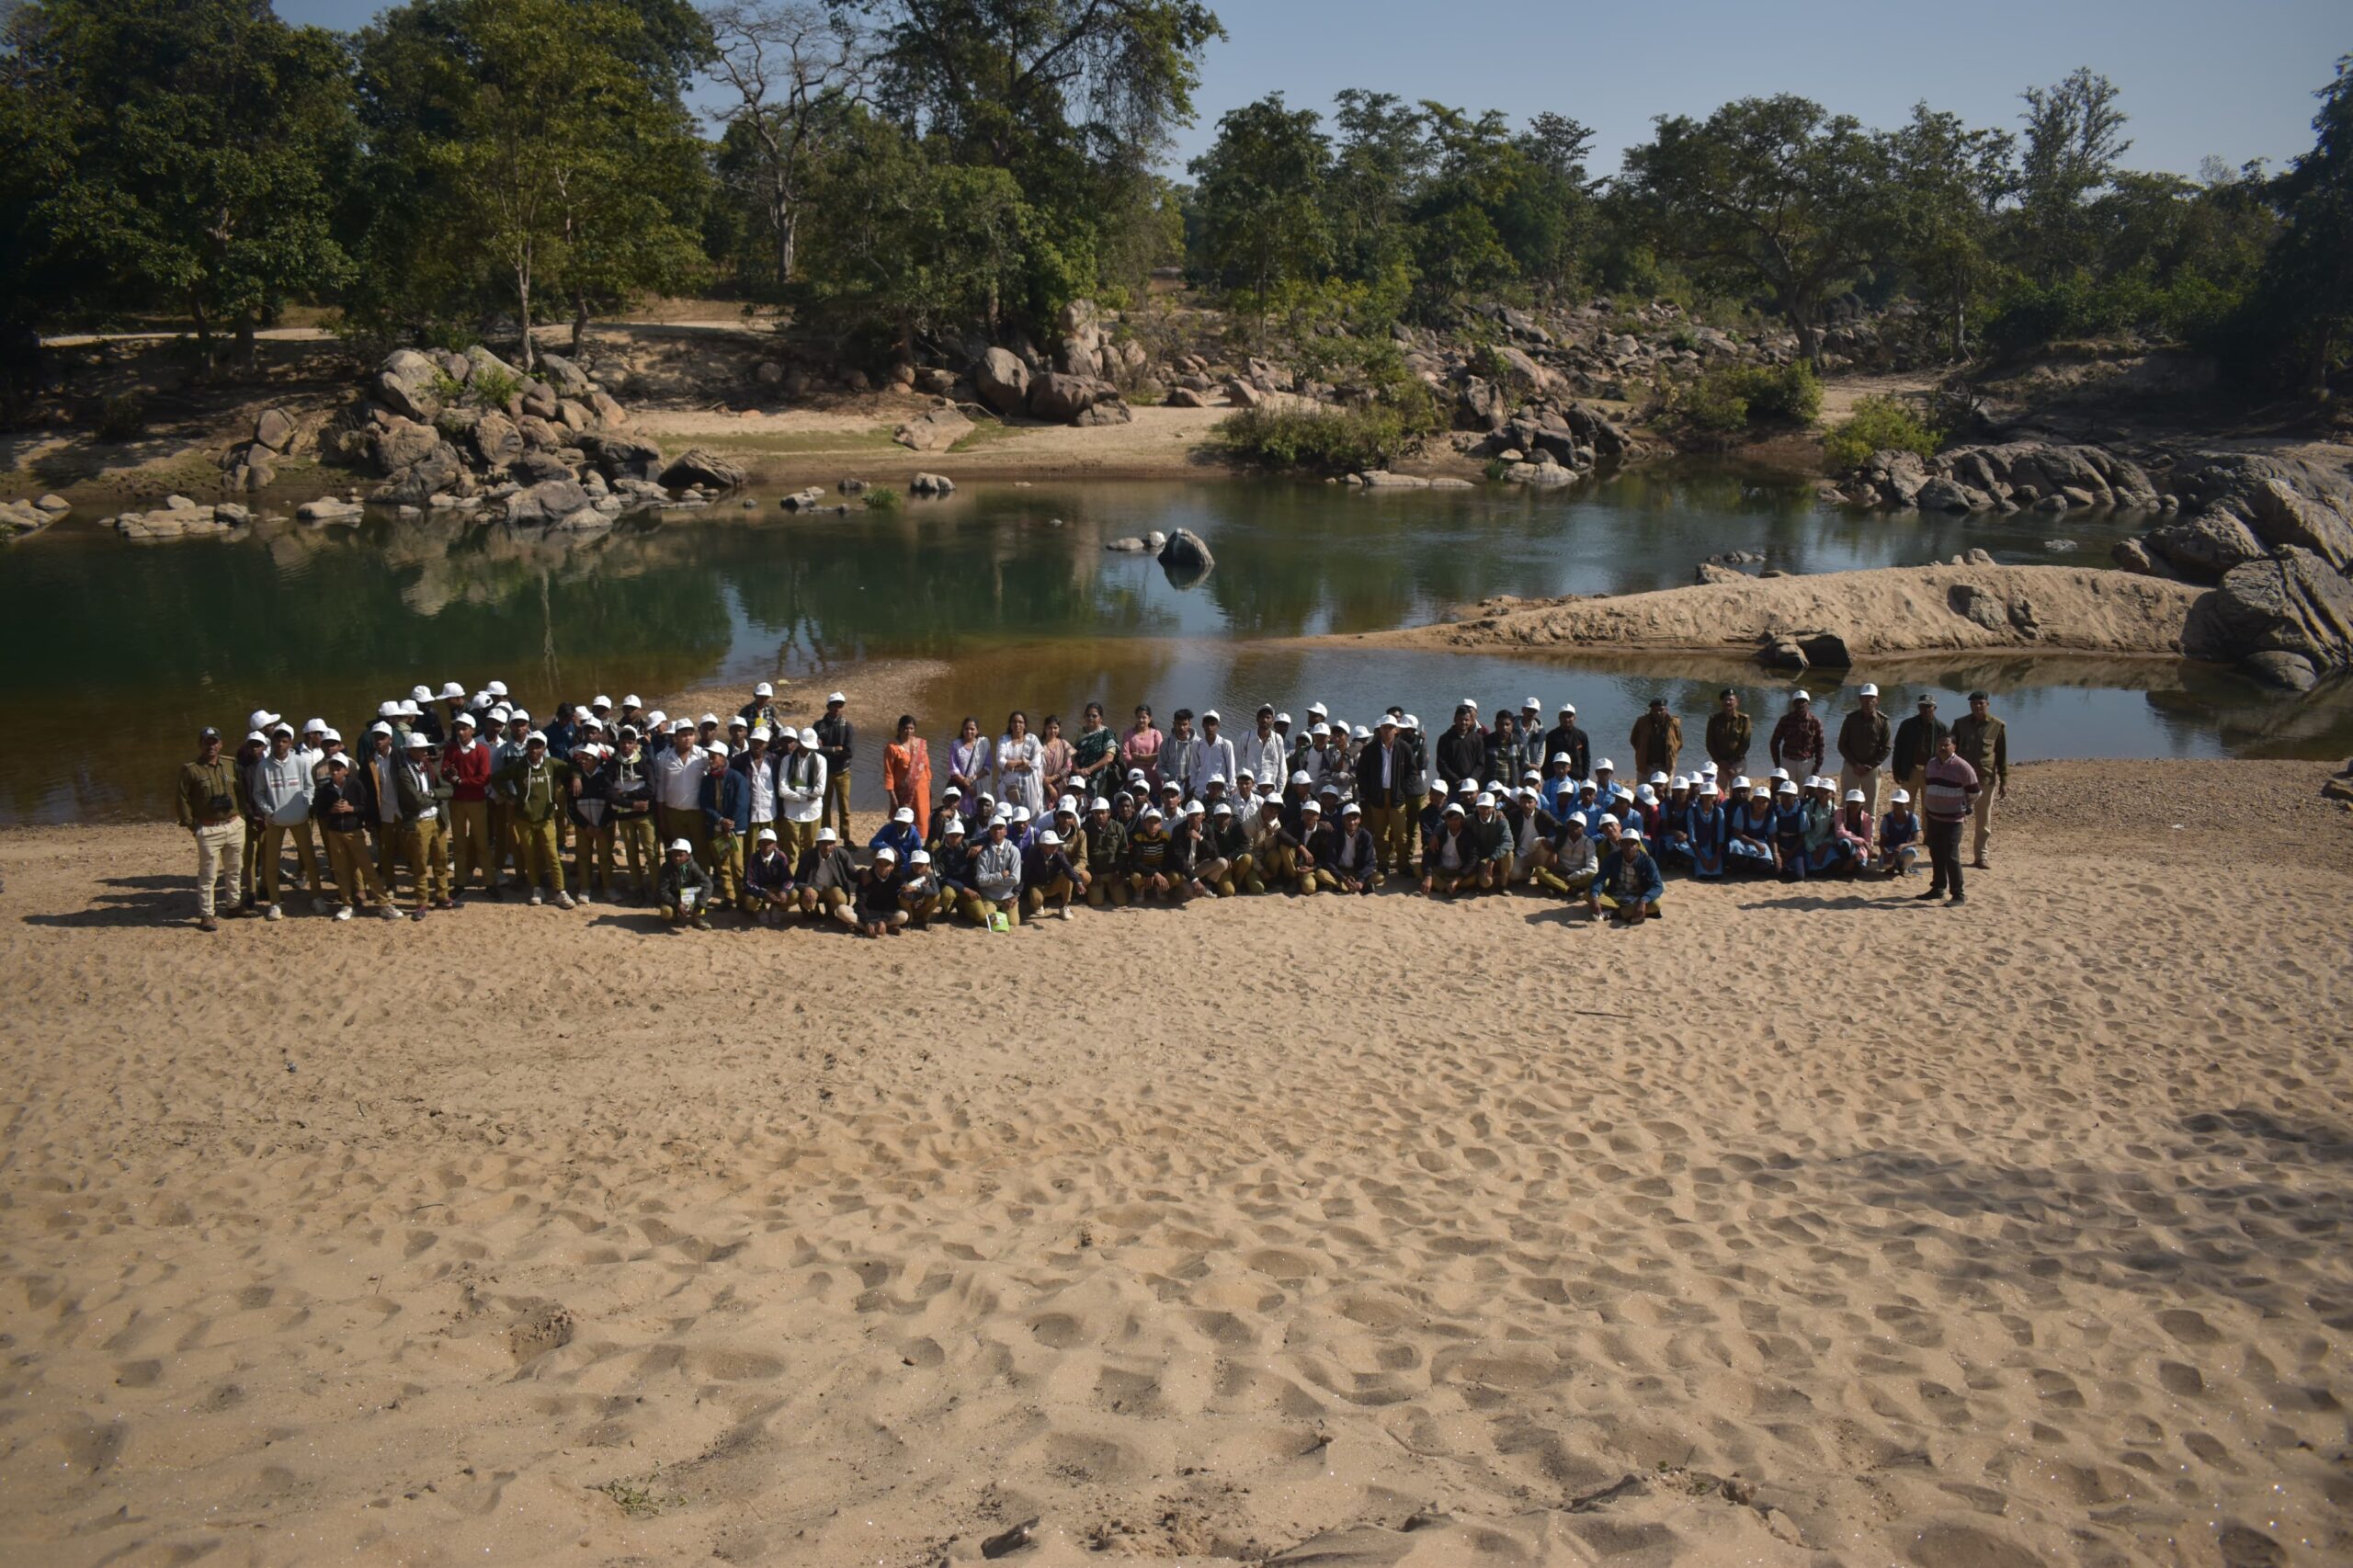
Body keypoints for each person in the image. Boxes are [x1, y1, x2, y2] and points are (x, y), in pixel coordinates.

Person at [249, 723, 326, 919]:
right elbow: (258, 793)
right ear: (272, 742)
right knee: (271, 863)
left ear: (290, 743)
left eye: (284, 741)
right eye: (277, 741)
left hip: (299, 819)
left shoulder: (299, 762)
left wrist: (305, 806)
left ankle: (317, 897)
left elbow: (309, 787)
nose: (280, 745)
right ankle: (275, 903)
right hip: (275, 821)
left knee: (309, 860)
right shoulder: (263, 766)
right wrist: (269, 811)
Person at [312, 755, 401, 920]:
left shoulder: (356, 785)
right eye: (332, 769)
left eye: (338, 769)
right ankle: (347, 904)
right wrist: (331, 810)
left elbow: (365, 807)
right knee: (340, 870)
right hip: (334, 833)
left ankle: (384, 904)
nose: (335, 772)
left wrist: (350, 809)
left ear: (346, 771)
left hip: (354, 832)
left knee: (367, 868)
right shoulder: (326, 790)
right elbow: (319, 811)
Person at [177, 725, 249, 931]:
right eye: (207, 742)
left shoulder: (230, 764)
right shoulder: (192, 770)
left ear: (221, 744)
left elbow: (241, 791)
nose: (211, 746)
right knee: (208, 875)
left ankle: (233, 905)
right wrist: (192, 825)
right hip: (209, 828)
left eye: (214, 742)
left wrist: (242, 816)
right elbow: (182, 799)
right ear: (200, 744)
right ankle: (207, 914)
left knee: (234, 869)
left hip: (234, 825)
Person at [495, 731, 577, 908]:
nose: (534, 749)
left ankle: (560, 892)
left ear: (544, 748)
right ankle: (536, 889)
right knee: (530, 856)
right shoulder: (518, 766)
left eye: (538, 746)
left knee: (552, 855)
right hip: (524, 819)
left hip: (546, 819)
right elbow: (496, 778)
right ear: (527, 747)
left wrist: (576, 779)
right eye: (531, 745)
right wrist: (508, 796)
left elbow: (573, 768)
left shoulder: (551, 764)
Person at [394, 733, 453, 916]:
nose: (424, 752)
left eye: (425, 748)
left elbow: (448, 789)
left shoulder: (429, 767)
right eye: (420, 749)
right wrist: (435, 797)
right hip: (420, 822)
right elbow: (416, 800)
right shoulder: (404, 772)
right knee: (420, 864)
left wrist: (432, 794)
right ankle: (422, 902)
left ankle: (442, 896)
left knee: (441, 859)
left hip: (437, 819)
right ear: (410, 751)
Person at [1918, 734, 1979, 905]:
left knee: (1951, 856)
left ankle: (1958, 894)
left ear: (1954, 747)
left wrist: (1963, 805)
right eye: (1940, 745)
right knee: (1936, 853)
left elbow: (1975, 792)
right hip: (1933, 817)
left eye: (1946, 745)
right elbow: (1929, 784)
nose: (1942, 748)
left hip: (1953, 820)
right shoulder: (1931, 764)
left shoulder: (1962, 767)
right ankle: (1938, 888)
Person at [1949, 690, 2007, 869]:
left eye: (1981, 703)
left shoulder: (1997, 726)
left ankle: (1981, 856)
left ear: (1987, 704)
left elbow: (2001, 755)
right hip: (1962, 781)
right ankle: (1952, 854)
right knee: (1957, 818)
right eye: (1974, 704)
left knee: (1983, 821)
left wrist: (2004, 780)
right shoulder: (1960, 724)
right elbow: (1951, 752)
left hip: (1985, 780)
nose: (1977, 707)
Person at [440, 712, 494, 892]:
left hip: (476, 801)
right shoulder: (451, 749)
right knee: (459, 845)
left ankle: (489, 882)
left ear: (473, 730)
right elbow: (444, 771)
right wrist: (452, 776)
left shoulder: (481, 751)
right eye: (458, 729)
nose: (460, 732)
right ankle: (460, 883)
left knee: (482, 844)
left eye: (464, 729)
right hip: (457, 802)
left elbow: (484, 778)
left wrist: (461, 781)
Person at [1836, 683, 1892, 818]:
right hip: (1851, 767)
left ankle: (1868, 831)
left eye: (1871, 698)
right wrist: (1855, 765)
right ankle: (1843, 828)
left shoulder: (1883, 722)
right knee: (1847, 802)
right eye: (1865, 698)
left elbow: (1886, 748)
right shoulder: (1850, 719)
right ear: (1860, 699)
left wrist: (1870, 766)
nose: (1868, 701)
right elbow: (1842, 745)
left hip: (1872, 769)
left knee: (1870, 805)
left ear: (1877, 699)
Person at [776, 727, 827, 865]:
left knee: (810, 849)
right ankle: (792, 876)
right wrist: (804, 797)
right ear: (799, 742)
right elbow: (782, 790)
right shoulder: (787, 760)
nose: (807, 749)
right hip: (791, 812)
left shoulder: (820, 760)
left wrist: (794, 789)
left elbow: (820, 791)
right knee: (792, 851)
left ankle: (807, 875)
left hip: (813, 812)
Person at [875, 714, 932, 836]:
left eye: (911, 728)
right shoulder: (892, 748)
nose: (909, 731)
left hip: (922, 791)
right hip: (903, 793)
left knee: (922, 820)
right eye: (906, 728)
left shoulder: (920, 744)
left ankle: (918, 842)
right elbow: (889, 773)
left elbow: (926, 766)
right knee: (903, 820)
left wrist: (929, 785)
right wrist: (892, 795)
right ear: (899, 729)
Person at [1594, 828, 1664, 926]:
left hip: (1637, 898)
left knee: (1656, 904)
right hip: (1615, 896)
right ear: (1620, 844)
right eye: (1625, 843)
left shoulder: (1647, 861)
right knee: (1590, 895)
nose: (1629, 847)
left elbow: (1658, 886)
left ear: (1638, 846)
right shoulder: (1612, 858)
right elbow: (1600, 878)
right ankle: (1629, 913)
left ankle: (1615, 913)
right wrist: (1595, 896)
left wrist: (1643, 901)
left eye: (1633, 844)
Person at [1891, 694, 1948, 806]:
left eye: (1929, 706)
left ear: (1935, 708)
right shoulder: (1907, 725)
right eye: (1923, 706)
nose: (1926, 709)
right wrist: (1896, 770)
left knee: (1929, 808)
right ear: (1918, 707)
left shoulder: (1942, 728)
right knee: (1906, 805)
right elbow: (1898, 749)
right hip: (1910, 771)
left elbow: (1946, 755)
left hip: (1931, 773)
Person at [797, 825, 860, 923]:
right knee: (806, 896)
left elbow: (852, 873)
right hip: (814, 888)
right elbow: (798, 879)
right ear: (817, 844)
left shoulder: (841, 854)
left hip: (832, 888)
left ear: (834, 844)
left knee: (840, 898)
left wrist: (862, 873)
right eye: (823, 843)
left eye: (830, 843)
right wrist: (806, 888)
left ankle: (831, 912)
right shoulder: (807, 856)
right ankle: (813, 911)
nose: (827, 847)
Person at [970, 815, 1025, 926]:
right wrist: (1001, 875)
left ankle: (1000, 912)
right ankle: (994, 912)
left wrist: (991, 880)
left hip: (1008, 896)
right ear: (989, 832)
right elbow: (981, 880)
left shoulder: (1014, 851)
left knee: (1013, 923)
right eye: (994, 828)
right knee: (994, 924)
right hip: (989, 897)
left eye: (1000, 828)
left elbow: (1015, 880)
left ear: (1006, 831)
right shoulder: (984, 853)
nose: (997, 831)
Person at [1022, 828, 1086, 918]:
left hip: (1053, 885)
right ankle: (1038, 905)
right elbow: (1024, 874)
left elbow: (1068, 868)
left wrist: (1078, 882)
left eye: (1056, 845)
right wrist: (1019, 892)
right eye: (1051, 845)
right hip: (1038, 886)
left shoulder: (1059, 855)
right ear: (1042, 846)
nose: (1055, 847)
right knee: (1035, 898)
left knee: (1066, 876)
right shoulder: (1033, 855)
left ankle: (1064, 906)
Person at [813, 690, 854, 831]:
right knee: (824, 806)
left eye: (840, 705)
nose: (837, 708)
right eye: (834, 705)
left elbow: (849, 752)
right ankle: (826, 835)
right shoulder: (819, 726)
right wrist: (835, 749)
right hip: (824, 773)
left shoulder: (847, 726)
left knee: (845, 807)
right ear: (828, 707)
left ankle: (846, 837)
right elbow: (815, 749)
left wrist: (825, 749)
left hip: (843, 772)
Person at [995, 710, 1044, 816]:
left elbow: (1036, 762)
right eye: (1014, 721)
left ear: (1025, 725)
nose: (1017, 724)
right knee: (1008, 813)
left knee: (1030, 813)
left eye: (1020, 722)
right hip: (1008, 783)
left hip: (1029, 784)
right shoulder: (1004, 739)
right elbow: (1001, 761)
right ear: (1010, 724)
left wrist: (1015, 767)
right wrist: (1021, 761)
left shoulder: (1032, 739)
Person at [854, 846, 910, 937]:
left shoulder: (894, 880)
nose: (883, 867)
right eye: (880, 864)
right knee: (842, 911)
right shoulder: (867, 877)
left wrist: (884, 920)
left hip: (883, 914)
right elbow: (860, 903)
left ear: (892, 866)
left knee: (903, 916)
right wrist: (867, 922)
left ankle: (869, 927)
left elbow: (892, 904)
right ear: (875, 863)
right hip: (867, 912)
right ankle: (883, 927)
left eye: (887, 864)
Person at [657, 838, 712, 929]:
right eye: (674, 854)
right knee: (667, 911)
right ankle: (674, 915)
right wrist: (677, 904)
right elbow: (662, 890)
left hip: (690, 896)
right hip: (674, 897)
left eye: (681, 855)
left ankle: (697, 917)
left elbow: (708, 884)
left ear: (688, 855)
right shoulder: (666, 868)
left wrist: (700, 904)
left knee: (702, 894)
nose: (677, 858)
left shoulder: (693, 867)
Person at [1769, 690, 1824, 780]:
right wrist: (1778, 765)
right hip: (1787, 762)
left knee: (1805, 789)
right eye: (1797, 702)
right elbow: (1774, 743)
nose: (1800, 705)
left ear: (1808, 704)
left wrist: (1817, 767)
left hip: (1806, 763)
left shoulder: (1815, 722)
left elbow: (1820, 746)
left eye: (1803, 702)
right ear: (1793, 704)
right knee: (1786, 788)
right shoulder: (1785, 720)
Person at [745, 827, 796, 922]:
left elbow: (789, 879)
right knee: (750, 901)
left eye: (770, 843)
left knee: (794, 895)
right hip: (761, 890)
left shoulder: (781, 857)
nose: (766, 846)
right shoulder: (754, 858)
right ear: (759, 844)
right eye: (763, 843)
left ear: (775, 845)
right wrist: (764, 893)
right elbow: (749, 882)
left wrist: (784, 891)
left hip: (777, 889)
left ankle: (776, 907)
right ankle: (761, 908)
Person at [1070, 703, 1119, 796]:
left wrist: (1089, 770)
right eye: (1088, 715)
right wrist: (1077, 770)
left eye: (1094, 716)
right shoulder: (1079, 732)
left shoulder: (1107, 734)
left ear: (1101, 718)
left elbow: (1109, 758)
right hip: (1077, 775)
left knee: (1094, 802)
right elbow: (1070, 754)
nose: (1090, 718)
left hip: (1097, 777)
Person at [1704, 689, 1752, 782]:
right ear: (1721, 703)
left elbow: (1745, 743)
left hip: (1737, 762)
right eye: (1725, 700)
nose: (1728, 702)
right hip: (1718, 762)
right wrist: (1721, 762)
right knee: (1718, 788)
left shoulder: (1744, 720)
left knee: (1737, 788)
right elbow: (1709, 743)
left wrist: (1731, 762)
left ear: (1737, 702)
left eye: (1731, 700)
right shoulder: (1714, 720)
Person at [1630, 698, 1681, 779]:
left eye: (1661, 710)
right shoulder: (1642, 722)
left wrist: (1672, 754)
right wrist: (1641, 751)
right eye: (1655, 710)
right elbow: (1633, 740)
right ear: (1651, 710)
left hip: (1666, 767)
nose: (1658, 712)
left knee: (1666, 787)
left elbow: (1679, 742)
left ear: (1666, 710)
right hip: (1646, 767)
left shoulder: (1673, 723)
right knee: (1643, 787)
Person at [1877, 789, 1921, 877]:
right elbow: (1882, 842)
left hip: (1904, 851)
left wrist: (1901, 846)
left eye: (1900, 804)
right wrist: (1887, 854)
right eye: (1895, 803)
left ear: (1907, 805)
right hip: (1890, 850)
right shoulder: (1887, 818)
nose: (1897, 806)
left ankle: (1903, 867)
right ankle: (1892, 867)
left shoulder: (1913, 818)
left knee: (1911, 852)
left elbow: (1915, 841)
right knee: (1884, 864)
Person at [1120, 704, 1164, 790]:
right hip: (1134, 773)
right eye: (1138, 717)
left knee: (1153, 796)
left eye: (1144, 717)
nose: (1141, 720)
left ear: (1150, 719)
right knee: (1134, 795)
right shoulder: (1128, 733)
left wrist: (1140, 756)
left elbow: (1160, 754)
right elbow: (1125, 755)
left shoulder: (1156, 734)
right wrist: (1148, 760)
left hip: (1152, 774)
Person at [1037, 715, 1074, 804]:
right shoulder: (1038, 743)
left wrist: (1053, 778)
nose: (1053, 730)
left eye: (1055, 728)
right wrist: (1048, 784)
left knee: (1060, 808)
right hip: (1040, 783)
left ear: (1059, 729)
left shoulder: (1063, 744)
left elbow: (1068, 767)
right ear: (1045, 728)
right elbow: (1034, 766)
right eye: (1050, 728)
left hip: (1060, 784)